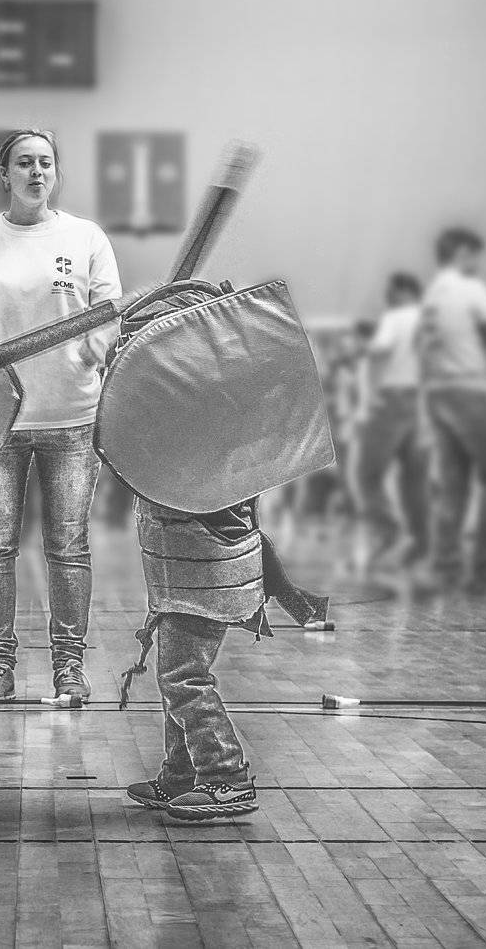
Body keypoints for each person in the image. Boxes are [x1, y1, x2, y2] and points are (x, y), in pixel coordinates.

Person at [109, 281, 327, 821]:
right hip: (186, 580)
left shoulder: (196, 431)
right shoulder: (204, 418)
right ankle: (181, 775)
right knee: (177, 675)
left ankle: (225, 777)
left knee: (183, 679)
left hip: (204, 579)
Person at [0, 128, 121, 704]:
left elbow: (108, 313)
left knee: (68, 549)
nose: (37, 171)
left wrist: (98, 344)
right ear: (6, 175)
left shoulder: (86, 237)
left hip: (72, 417)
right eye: (24, 162)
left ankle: (69, 666)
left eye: (46, 162)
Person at [416, 227, 486, 593]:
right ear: (461, 253)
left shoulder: (431, 296)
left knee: (453, 484)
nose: (477, 263)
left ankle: (445, 567)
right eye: (474, 254)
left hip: (437, 393)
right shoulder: (471, 289)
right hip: (469, 390)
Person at [350, 273, 429, 571]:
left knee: (367, 475)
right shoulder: (429, 320)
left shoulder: (397, 317)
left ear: (404, 291)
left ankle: (389, 530)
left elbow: (379, 354)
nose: (388, 296)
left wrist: (370, 402)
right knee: (415, 481)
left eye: (392, 291)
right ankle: (420, 544)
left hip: (391, 401)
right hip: (418, 401)